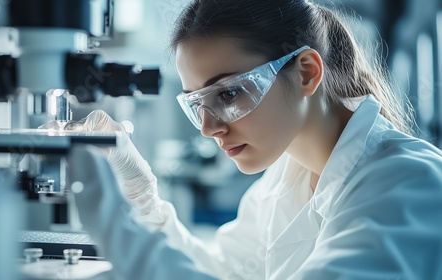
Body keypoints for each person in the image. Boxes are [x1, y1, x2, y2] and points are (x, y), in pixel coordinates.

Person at [64, 0, 442, 279]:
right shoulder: (286, 177)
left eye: (228, 94)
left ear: (306, 73)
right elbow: (218, 271)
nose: (208, 128)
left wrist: (132, 246)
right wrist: (141, 198)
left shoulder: (408, 186)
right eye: (197, 104)